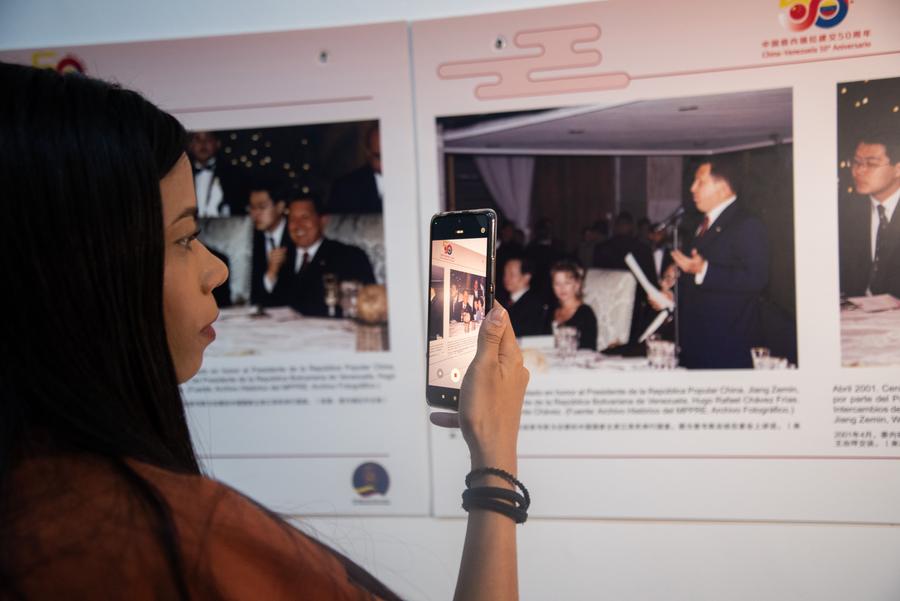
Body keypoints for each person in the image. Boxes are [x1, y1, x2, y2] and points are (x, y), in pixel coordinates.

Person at [1, 62, 529, 601]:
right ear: (81, 268)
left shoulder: (36, 500)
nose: (218, 270)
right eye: (185, 238)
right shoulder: (175, 543)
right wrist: (494, 464)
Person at [670, 155, 769, 369]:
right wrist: (674, 286)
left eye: (701, 182)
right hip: (696, 342)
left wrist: (704, 270)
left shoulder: (746, 223)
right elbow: (696, 276)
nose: (692, 188)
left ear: (723, 188)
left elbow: (757, 278)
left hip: (726, 345)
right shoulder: (701, 223)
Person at [283, 195, 376, 317]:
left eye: (305, 217)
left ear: (323, 221)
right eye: (292, 219)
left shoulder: (349, 256)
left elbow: (370, 304)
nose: (297, 225)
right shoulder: (280, 258)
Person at [838, 129, 900, 298]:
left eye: (871, 164)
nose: (858, 171)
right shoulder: (844, 211)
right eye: (856, 162)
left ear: (897, 169)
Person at [248, 181, 295, 307]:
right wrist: (271, 272)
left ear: (280, 206)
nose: (255, 214)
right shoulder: (249, 239)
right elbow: (255, 295)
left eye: (262, 207)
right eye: (252, 208)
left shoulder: (297, 234)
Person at [187, 130, 246, 217]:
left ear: (217, 143)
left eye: (208, 139)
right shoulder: (182, 175)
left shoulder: (233, 174)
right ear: (190, 145)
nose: (203, 144)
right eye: (197, 139)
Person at [542, 260, 598, 351]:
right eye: (557, 284)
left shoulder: (586, 313)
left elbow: (589, 350)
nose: (562, 288)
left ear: (577, 285)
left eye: (567, 283)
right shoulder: (550, 311)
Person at [327, 124, 383, 214]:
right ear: (368, 153)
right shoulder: (345, 188)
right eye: (379, 157)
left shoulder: (409, 178)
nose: (387, 162)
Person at [503, 256, 547, 337]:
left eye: (512, 274)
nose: (506, 278)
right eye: (505, 273)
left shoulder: (534, 305)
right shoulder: (503, 301)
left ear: (526, 277)